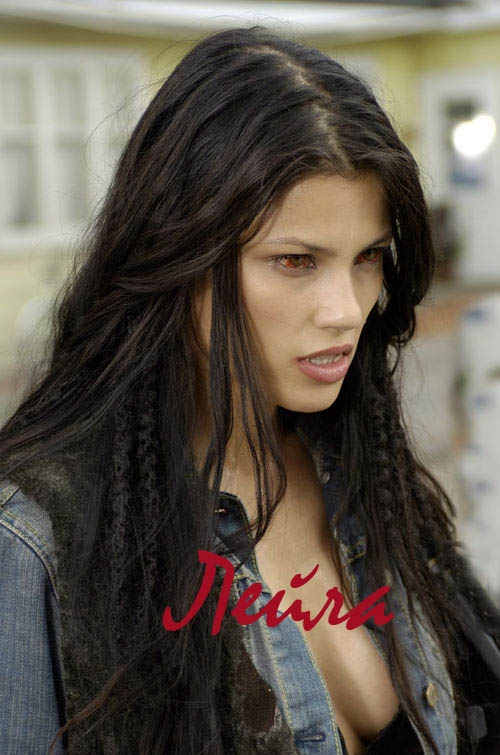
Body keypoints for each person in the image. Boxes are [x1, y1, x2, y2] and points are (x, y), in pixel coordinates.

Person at [0, 26, 499, 755]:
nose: (346, 309)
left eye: (367, 257)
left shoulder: (362, 471)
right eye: (295, 261)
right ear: (178, 253)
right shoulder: (40, 542)